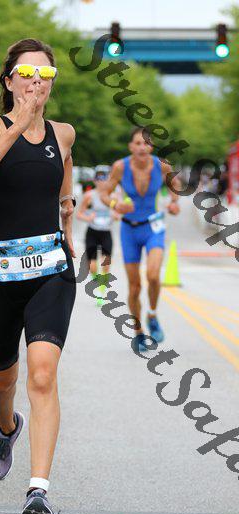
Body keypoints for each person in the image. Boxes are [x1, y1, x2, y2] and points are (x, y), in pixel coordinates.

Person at [0, 38, 76, 514]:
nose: (36, 82)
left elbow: (64, 180)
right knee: (2, 379)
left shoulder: (64, 133)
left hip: (51, 270)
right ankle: (7, 428)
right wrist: (17, 126)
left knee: (43, 374)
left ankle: (38, 491)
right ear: (9, 81)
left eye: (45, 75)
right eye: (27, 73)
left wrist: (69, 223)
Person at [98, 126, 180, 351]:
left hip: (153, 228)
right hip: (129, 231)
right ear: (130, 147)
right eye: (138, 143)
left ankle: (152, 314)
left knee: (153, 275)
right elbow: (104, 194)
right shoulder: (120, 167)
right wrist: (115, 204)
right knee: (134, 287)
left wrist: (174, 202)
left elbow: (175, 184)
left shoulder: (161, 165)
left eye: (146, 143)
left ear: (151, 146)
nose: (142, 147)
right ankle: (138, 333)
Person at [76, 165, 116, 290]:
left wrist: (116, 215)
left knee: (106, 263)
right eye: (98, 178)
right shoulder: (89, 195)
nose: (101, 181)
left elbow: (119, 212)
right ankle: (96, 281)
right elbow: (79, 214)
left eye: (104, 178)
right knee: (92, 266)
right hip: (92, 232)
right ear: (94, 180)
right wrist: (88, 218)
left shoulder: (112, 196)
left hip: (106, 232)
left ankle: (103, 285)